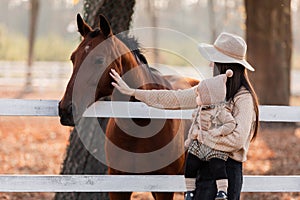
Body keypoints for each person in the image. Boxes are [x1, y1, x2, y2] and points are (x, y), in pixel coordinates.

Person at [110, 32, 259, 200]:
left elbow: (238, 139)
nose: (211, 64)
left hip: (227, 171)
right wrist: (134, 92)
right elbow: (174, 98)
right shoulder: (208, 89)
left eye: (215, 61)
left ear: (227, 66)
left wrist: (202, 140)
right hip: (204, 169)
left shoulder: (243, 98)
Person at [184, 69, 235, 200]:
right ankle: (189, 190)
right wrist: (191, 138)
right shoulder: (199, 111)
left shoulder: (221, 111)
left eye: (199, 96)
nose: (197, 99)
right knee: (190, 163)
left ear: (209, 97)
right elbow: (194, 125)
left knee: (217, 165)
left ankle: (222, 190)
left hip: (214, 144)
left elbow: (230, 124)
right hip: (199, 144)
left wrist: (218, 131)